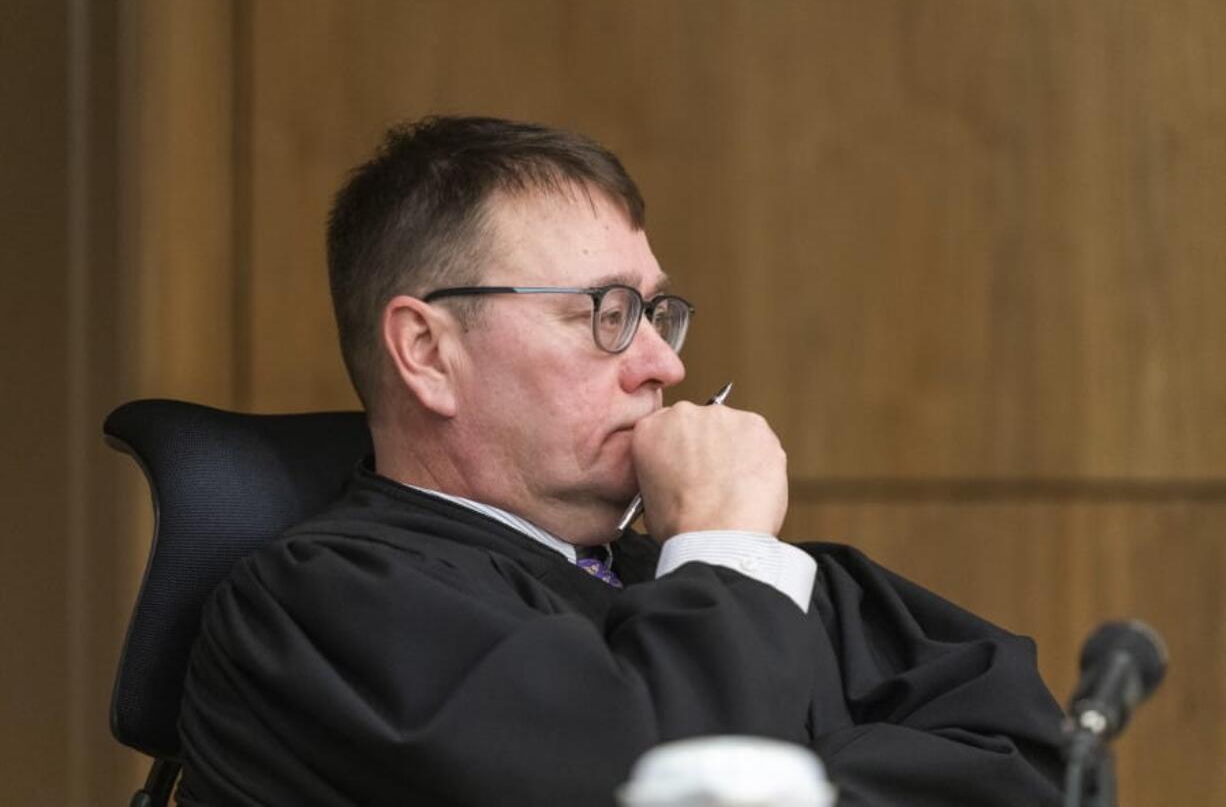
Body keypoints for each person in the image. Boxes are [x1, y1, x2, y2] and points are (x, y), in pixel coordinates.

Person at [177, 116, 1066, 806]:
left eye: (654, 312)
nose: (664, 365)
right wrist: (724, 546)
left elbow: (1024, 746)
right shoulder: (321, 605)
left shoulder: (672, 565)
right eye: (605, 312)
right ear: (427, 351)